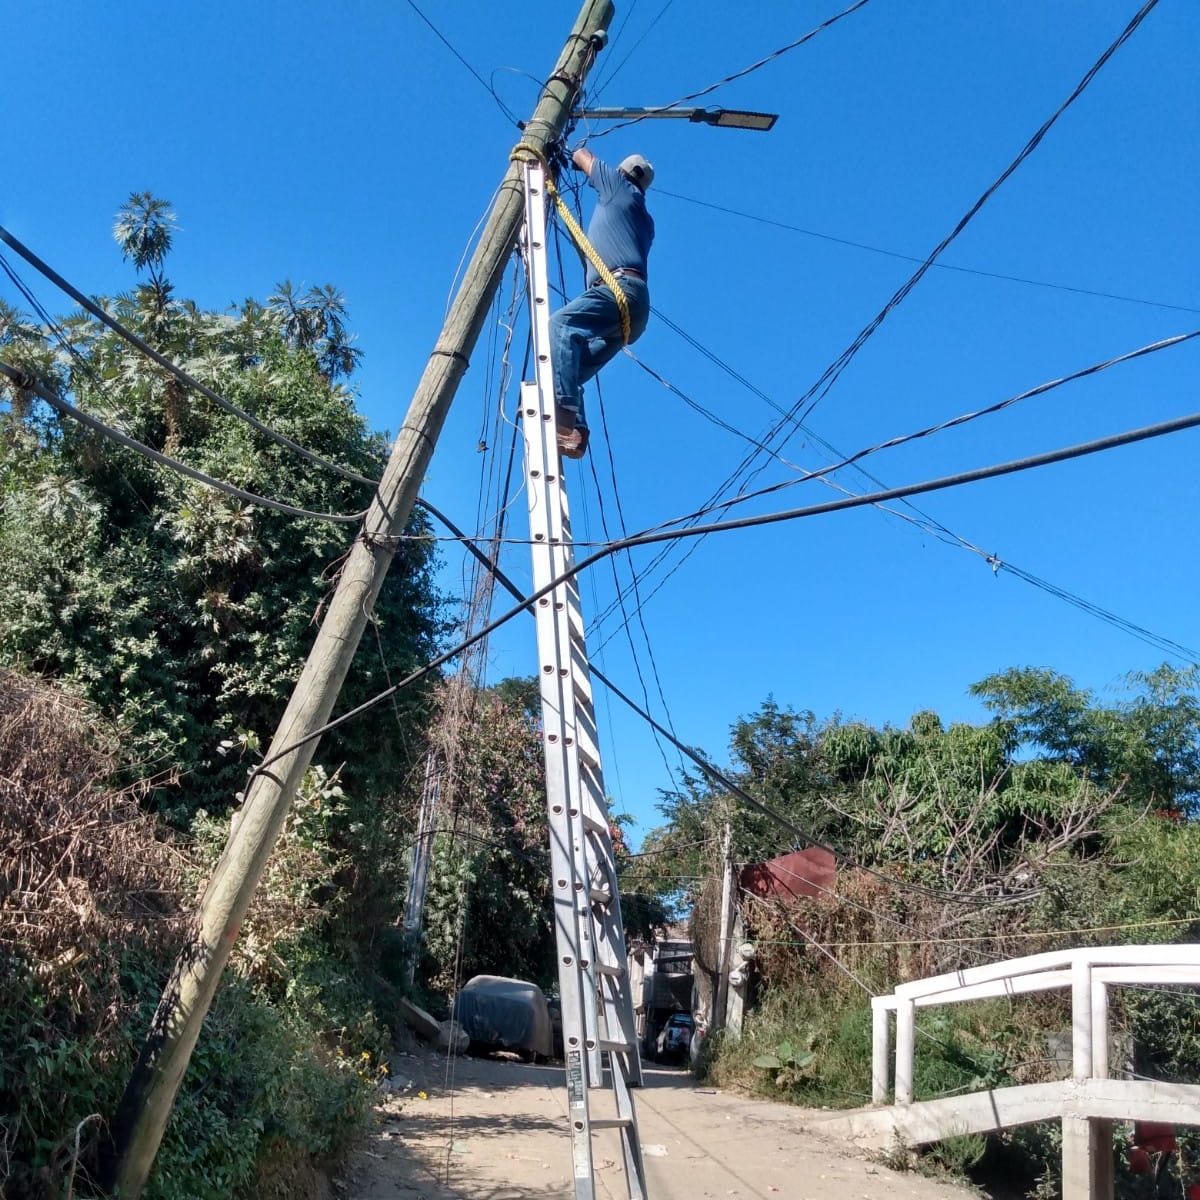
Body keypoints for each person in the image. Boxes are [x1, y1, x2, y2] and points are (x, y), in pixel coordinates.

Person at [549, 146, 655, 459]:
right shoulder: (643, 218)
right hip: (634, 309)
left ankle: (564, 418)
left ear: (622, 173)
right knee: (571, 361)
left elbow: (584, 157)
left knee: (561, 326)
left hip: (618, 288)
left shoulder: (618, 187)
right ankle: (576, 431)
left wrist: (565, 149)